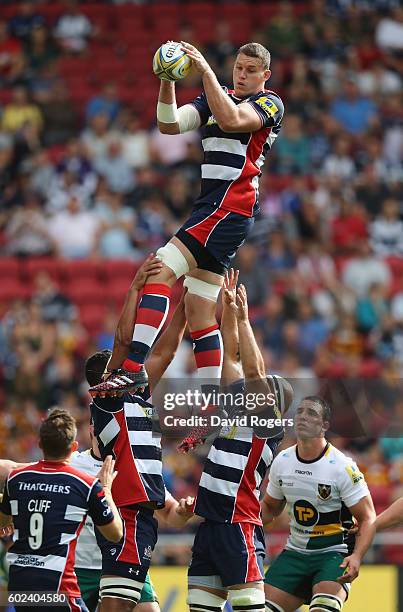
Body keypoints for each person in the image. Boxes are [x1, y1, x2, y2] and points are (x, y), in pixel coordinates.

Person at [89, 41, 284, 398]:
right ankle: (211, 404)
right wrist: (168, 80)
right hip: (214, 207)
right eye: (239, 67)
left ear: (265, 76)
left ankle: (133, 368)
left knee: (160, 270)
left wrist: (205, 71)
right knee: (198, 311)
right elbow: (169, 125)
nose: (241, 74)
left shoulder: (269, 103)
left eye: (250, 70)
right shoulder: (215, 96)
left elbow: (232, 120)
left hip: (229, 206)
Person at [85, 256, 193, 611]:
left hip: (143, 511)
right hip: (128, 511)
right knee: (116, 607)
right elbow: (123, 341)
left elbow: (165, 350)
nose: (133, 367)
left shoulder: (137, 394)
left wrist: (188, 305)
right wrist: (134, 289)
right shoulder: (107, 401)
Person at [184, 272, 293, 612]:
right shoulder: (235, 410)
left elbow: (254, 372)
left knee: (250, 609)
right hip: (211, 526)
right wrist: (229, 310)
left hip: (237, 524)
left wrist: (245, 319)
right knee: (201, 608)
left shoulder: (267, 426)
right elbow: (230, 360)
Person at [0, 423, 193, 612]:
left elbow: (170, 513)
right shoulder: (72, 462)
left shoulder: (140, 468)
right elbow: (14, 468)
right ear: (92, 430)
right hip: (79, 569)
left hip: (123, 562)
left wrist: (183, 511)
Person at [0, 408, 123, 612]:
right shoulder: (85, 484)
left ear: (40, 445)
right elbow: (115, 534)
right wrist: (107, 489)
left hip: (20, 583)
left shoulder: (16, 479)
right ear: (73, 447)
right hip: (57, 585)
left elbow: (3, 523)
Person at [261, 396, 376, 612]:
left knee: (323, 609)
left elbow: (368, 517)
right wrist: (243, 517)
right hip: (294, 553)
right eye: (300, 412)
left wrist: (358, 556)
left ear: (324, 426)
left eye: (311, 413)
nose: (303, 417)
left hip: (334, 554)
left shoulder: (342, 467)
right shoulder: (282, 461)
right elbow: (270, 508)